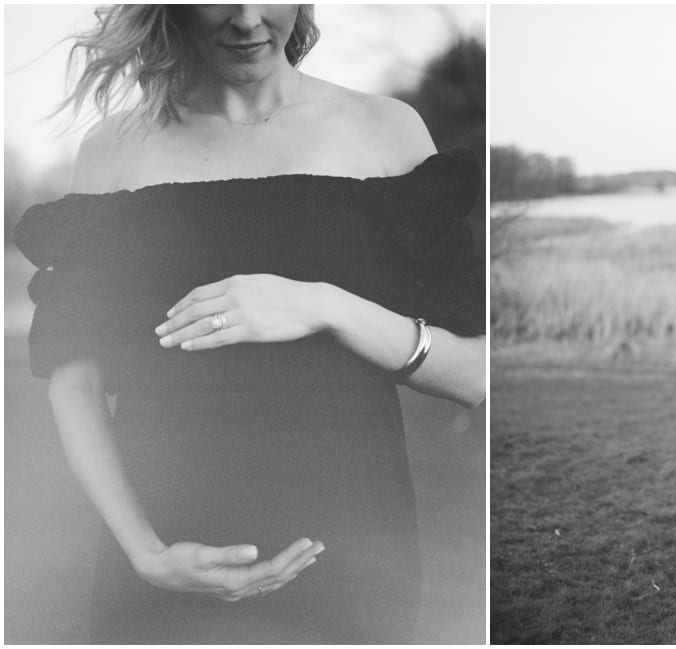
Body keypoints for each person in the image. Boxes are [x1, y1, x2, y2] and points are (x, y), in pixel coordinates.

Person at [13, 5, 484, 643]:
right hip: (163, 572)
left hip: (355, 563)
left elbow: (475, 373)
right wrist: (147, 554)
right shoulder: (114, 149)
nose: (245, 19)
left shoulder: (385, 131)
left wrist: (325, 305)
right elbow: (75, 383)